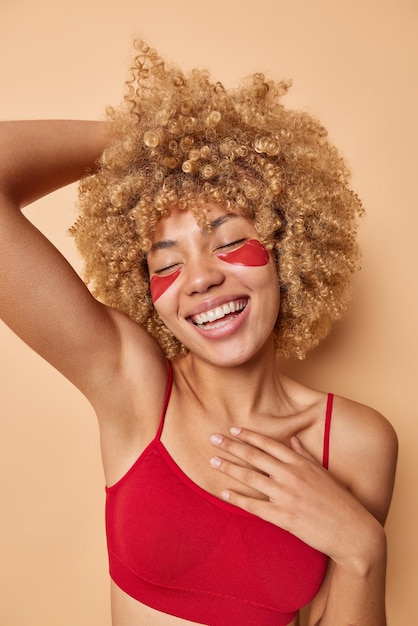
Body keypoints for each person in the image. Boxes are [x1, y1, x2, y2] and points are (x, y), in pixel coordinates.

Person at [0, 40, 397, 626]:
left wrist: (364, 551)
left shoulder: (357, 443)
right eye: (167, 264)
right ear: (148, 293)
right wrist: (152, 146)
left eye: (231, 241)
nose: (203, 278)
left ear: (286, 253)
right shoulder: (132, 385)